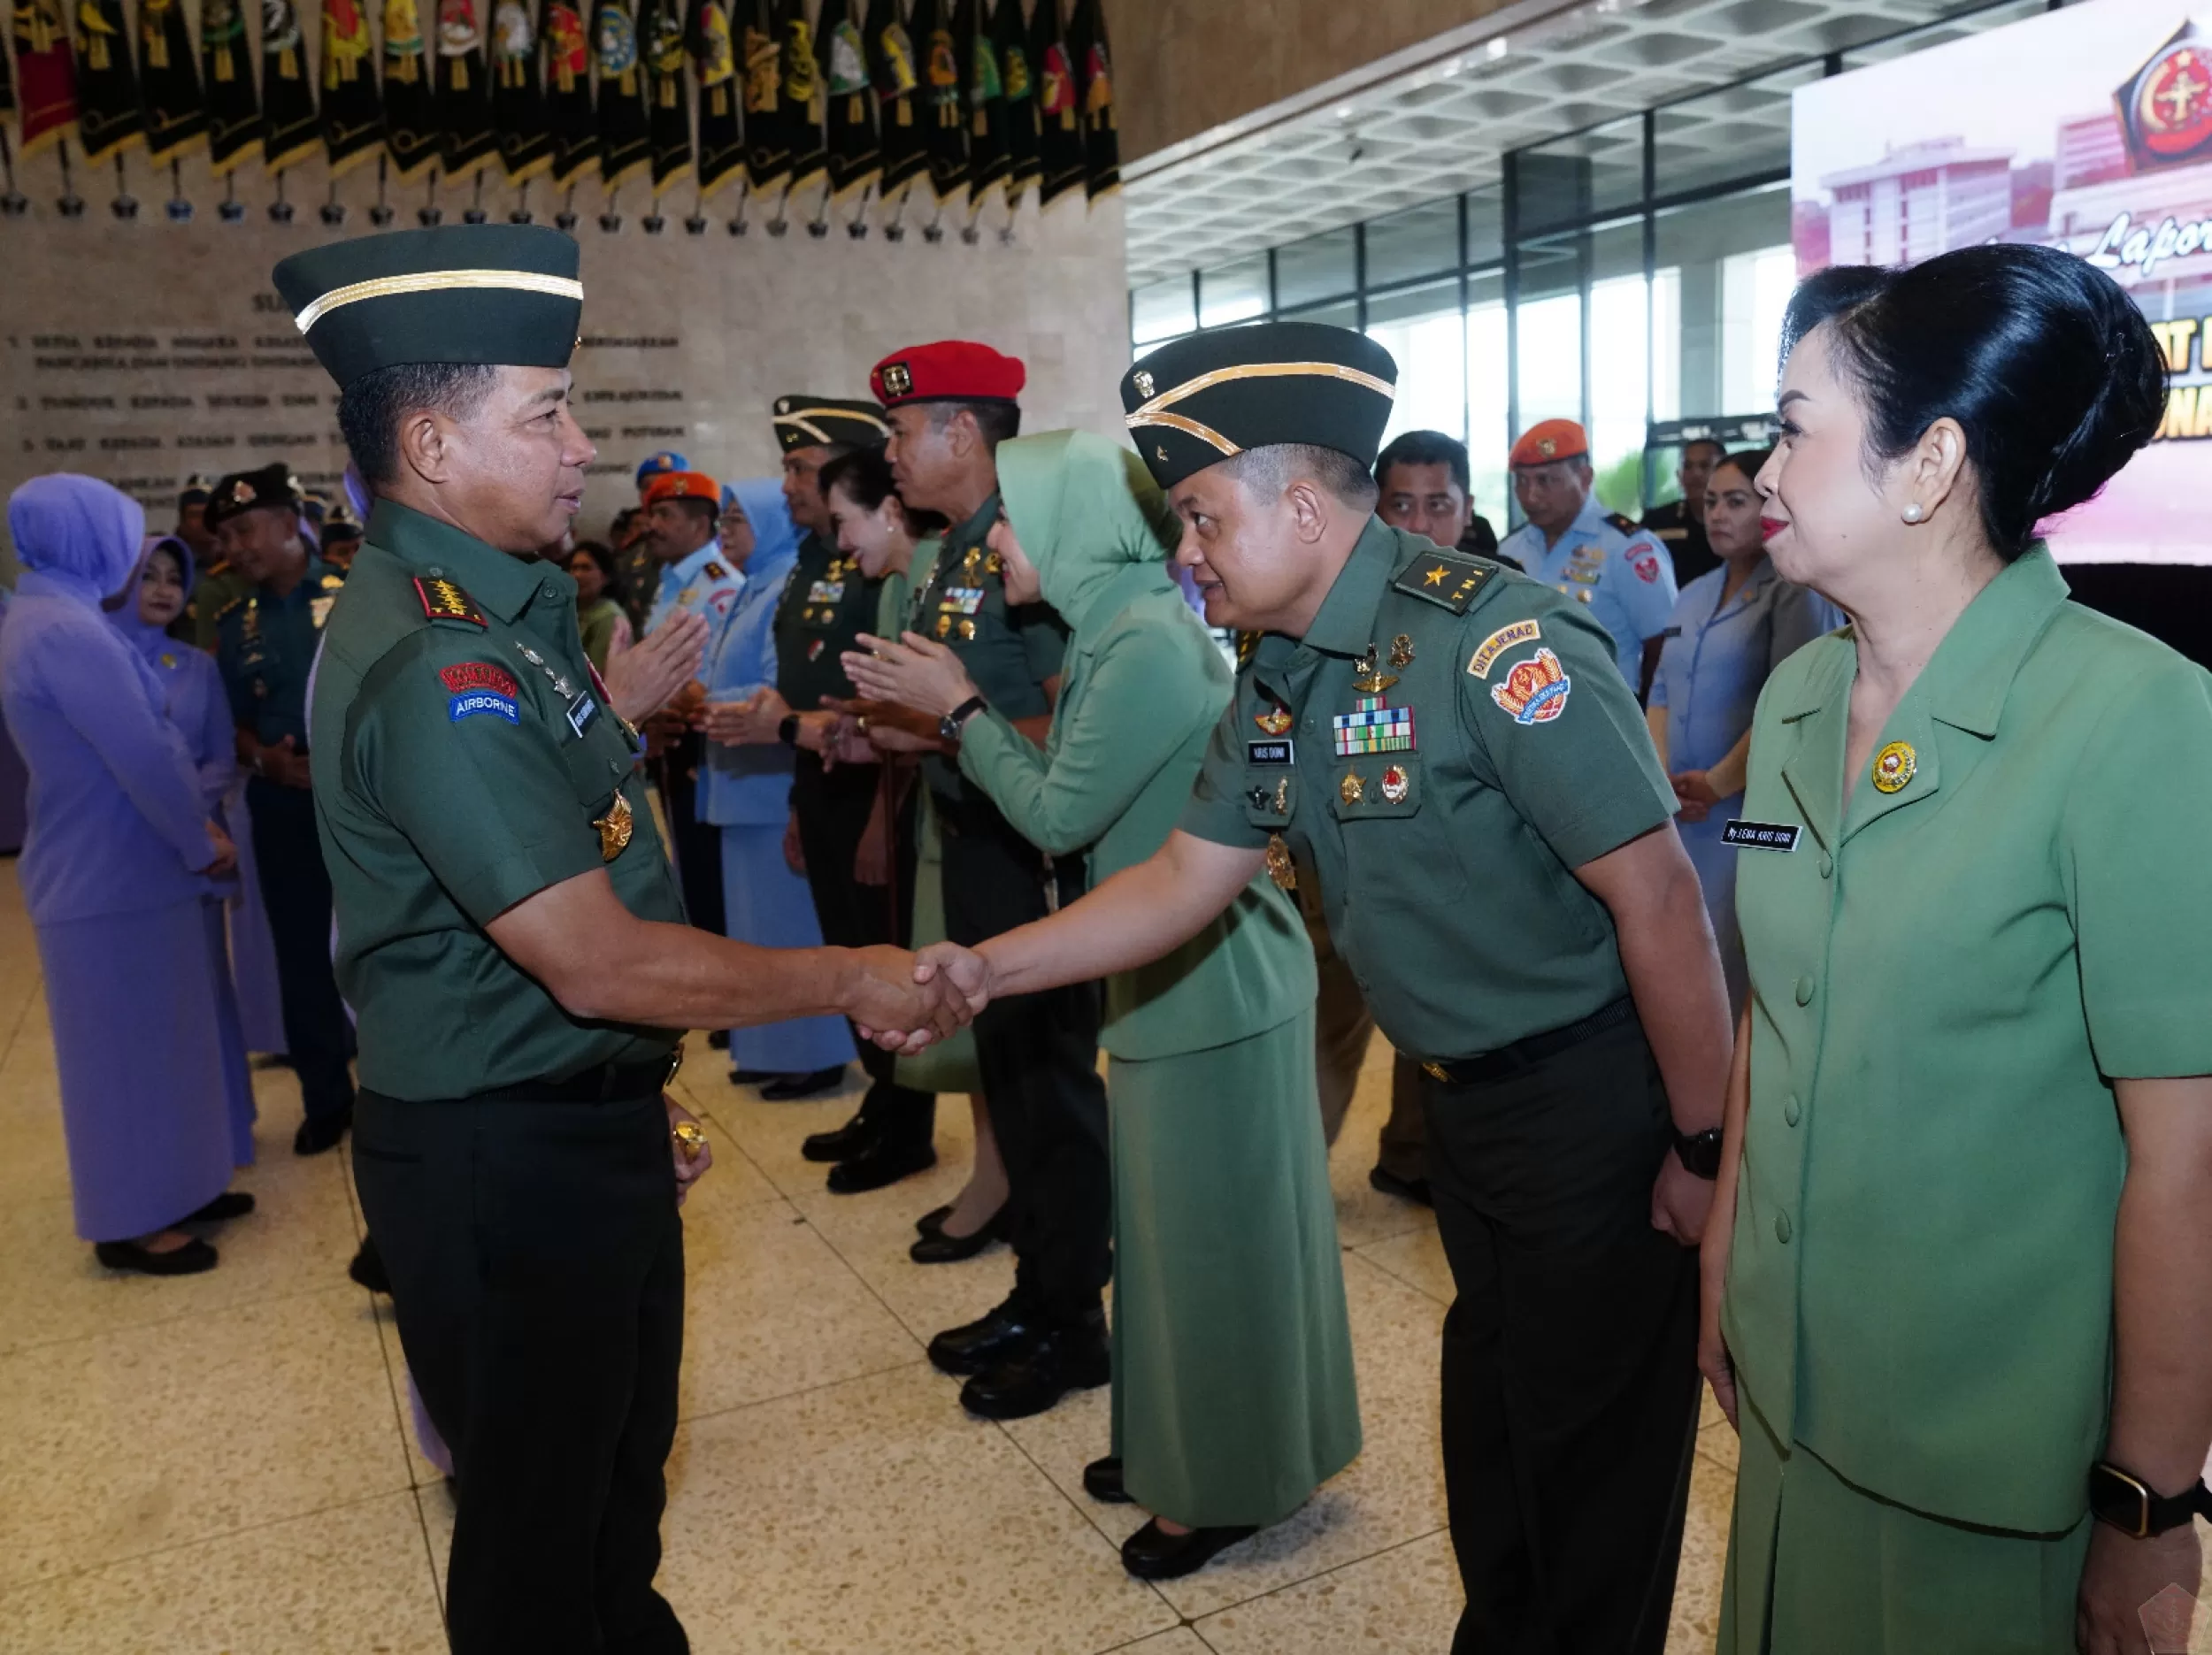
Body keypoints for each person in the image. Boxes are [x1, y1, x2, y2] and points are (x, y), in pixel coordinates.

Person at [887, 320, 1732, 1652]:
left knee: (1596, 1467)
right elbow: (1184, 873)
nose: (1188, 552)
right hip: (1461, 1103)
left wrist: (1700, 1141)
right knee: (1498, 1423)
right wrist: (985, 967)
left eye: (1206, 517)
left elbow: (1661, 900)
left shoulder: (1497, 638)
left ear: (1298, 504)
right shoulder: (1282, 667)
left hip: (1591, 1105)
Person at [273, 224, 964, 1655]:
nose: (583, 446)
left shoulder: (507, 618)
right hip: (498, 1153)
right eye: (545, 414)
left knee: (608, 1493)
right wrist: (851, 974)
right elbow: (591, 954)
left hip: (564, 1120)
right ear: (431, 443)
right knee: (539, 1534)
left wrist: (630, 1092)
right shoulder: (435, 657)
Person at [1701, 244, 2212, 1654]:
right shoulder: (1802, 692)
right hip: (1797, 1394)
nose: (1765, 467)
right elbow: (1779, 1005)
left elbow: (2184, 1155)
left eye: (1796, 425)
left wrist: (2148, 1509)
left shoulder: (2134, 719)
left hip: (1987, 1460)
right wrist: (1730, 1254)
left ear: (1927, 465)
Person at [846, 427, 1362, 1582]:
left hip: (1214, 976)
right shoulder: (1116, 624)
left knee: (1212, 1250)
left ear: (1076, 526)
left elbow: (1056, 817)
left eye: (1019, 516)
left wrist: (961, 709)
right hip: (1169, 968)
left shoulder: (1137, 638)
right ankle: (1180, 1447)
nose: (1001, 541)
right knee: (1177, 1244)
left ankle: (1226, 1484)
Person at [864, 338, 1115, 1421]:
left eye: (900, 431)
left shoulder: (1030, 546)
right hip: (977, 841)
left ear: (962, 431)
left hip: (1035, 854)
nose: (890, 453)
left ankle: (1074, 1324)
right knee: (1013, 1083)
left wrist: (947, 725)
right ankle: (1037, 1290)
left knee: (1052, 1091)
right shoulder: (962, 551)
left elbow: (1076, 725)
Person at [0, 476, 254, 1276]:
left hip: (130, 873)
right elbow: (139, 750)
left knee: (168, 1043)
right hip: (110, 876)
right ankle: (134, 1220)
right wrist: (198, 836)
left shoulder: (50, 614)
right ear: (89, 539)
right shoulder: (63, 629)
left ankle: (185, 1182)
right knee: (123, 1061)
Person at [701, 395, 947, 1150]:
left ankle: (908, 1116)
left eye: (801, 467)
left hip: (880, 780)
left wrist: (880, 815)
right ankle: (882, 1094)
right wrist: (805, 807)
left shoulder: (882, 560)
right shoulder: (813, 562)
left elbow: (897, 701)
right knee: (845, 945)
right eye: (787, 468)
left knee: (882, 947)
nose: (787, 486)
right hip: (824, 776)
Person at [818, 445, 1006, 1258]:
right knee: (978, 1028)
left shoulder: (946, 565)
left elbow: (983, 713)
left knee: (1010, 1042)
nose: (838, 542)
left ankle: (1019, 1209)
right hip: (954, 808)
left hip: (991, 818)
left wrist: (889, 729)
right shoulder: (927, 569)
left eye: (842, 520)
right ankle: (1001, 1188)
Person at [1645, 450, 1840, 1014]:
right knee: (1682, 960)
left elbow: (1794, 704)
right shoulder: (1692, 592)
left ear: (1770, 506)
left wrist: (1716, 783)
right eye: (1710, 501)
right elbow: (1659, 692)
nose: (1717, 514)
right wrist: (1664, 780)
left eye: (1736, 501)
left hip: (1750, 816)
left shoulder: (1794, 591)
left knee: (1737, 965)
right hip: (1683, 813)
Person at [206, 462, 359, 1154]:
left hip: (364, 806)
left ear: (289, 520)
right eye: (226, 536)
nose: (235, 547)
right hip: (282, 807)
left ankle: (400, 1087)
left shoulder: (356, 594)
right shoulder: (234, 624)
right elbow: (231, 723)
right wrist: (266, 758)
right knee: (301, 955)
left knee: (382, 942)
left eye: (244, 529)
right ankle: (327, 1097)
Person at [695, 475, 857, 1098]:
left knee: (788, 930)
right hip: (743, 781)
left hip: (770, 782)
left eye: (737, 521)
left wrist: (704, 699)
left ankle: (814, 1054)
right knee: (756, 931)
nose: (726, 533)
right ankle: (769, 1046)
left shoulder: (782, 585)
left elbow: (778, 688)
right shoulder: (756, 584)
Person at [111, 535, 262, 1166]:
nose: (164, 588)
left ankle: (224, 1136)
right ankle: (170, 1154)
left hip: (200, 854)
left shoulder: (196, 666)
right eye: (149, 575)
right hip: (130, 862)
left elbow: (221, 757)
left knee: (207, 996)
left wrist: (191, 815)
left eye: (175, 576)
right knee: (151, 1013)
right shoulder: (104, 663)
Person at [1496, 418, 1678, 693]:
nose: (1530, 496)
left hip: (1607, 712)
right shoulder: (1510, 549)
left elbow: (1662, 644)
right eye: (1521, 482)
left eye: (1545, 481)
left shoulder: (1627, 549)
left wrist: (1644, 718)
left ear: (1584, 478)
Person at [638, 467, 743, 939]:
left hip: (703, 745)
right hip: (670, 742)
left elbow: (715, 676)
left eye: (665, 514)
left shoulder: (720, 585)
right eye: (652, 514)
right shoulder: (670, 580)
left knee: (709, 878)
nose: (652, 525)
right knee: (688, 871)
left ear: (700, 525)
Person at [1375, 428, 1499, 561]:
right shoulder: (1353, 576)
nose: (1419, 526)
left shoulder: (1504, 578)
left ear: (1467, 511)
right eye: (1401, 506)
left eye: (1437, 506)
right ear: (1375, 511)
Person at [1640, 436, 1724, 588]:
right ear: (1679, 475)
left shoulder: (1736, 520)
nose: (1695, 473)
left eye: (1705, 466)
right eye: (1688, 466)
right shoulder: (1657, 521)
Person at [567, 539, 634, 669]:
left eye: (586, 568)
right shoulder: (573, 610)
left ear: (606, 577)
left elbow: (599, 675)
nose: (577, 575)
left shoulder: (608, 617)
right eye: (574, 568)